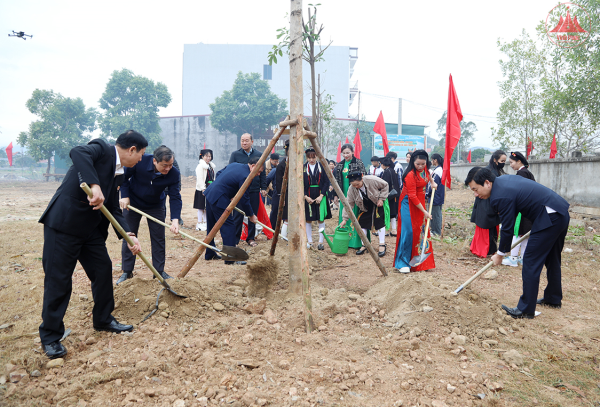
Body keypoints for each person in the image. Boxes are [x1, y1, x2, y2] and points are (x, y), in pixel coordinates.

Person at [38, 131, 147, 359]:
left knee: (102, 269)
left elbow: (113, 209)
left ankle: (103, 319)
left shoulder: (119, 174)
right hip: (64, 226)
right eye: (141, 155)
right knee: (59, 279)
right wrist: (94, 184)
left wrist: (129, 234)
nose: (140, 160)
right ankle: (50, 336)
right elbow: (78, 152)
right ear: (132, 149)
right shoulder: (102, 149)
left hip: (90, 231)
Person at [465, 167, 569, 319]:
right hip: (560, 212)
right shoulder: (503, 181)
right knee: (552, 258)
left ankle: (526, 310)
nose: (476, 194)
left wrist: (500, 254)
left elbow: (507, 227)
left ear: (487, 183)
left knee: (531, 260)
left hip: (549, 217)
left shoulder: (499, 195)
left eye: (475, 189)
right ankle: (553, 299)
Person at [117, 145, 182, 284]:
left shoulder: (174, 173)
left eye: (170, 165)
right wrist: (125, 195)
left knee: (158, 238)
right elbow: (123, 177)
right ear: (154, 161)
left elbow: (175, 196)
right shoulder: (140, 161)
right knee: (130, 236)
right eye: (164, 165)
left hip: (156, 206)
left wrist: (175, 219)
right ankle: (127, 271)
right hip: (133, 204)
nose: (168, 169)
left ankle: (158, 272)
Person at [203, 157, 261, 265]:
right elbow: (245, 198)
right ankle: (230, 259)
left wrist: (224, 189)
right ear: (253, 166)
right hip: (219, 198)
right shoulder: (246, 176)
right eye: (259, 171)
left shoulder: (235, 164)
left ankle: (209, 253)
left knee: (211, 226)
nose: (258, 174)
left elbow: (220, 173)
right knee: (229, 227)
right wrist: (251, 215)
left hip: (211, 192)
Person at [393, 149, 437, 273]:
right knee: (408, 231)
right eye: (418, 164)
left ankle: (422, 262)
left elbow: (428, 176)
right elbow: (412, 196)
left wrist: (433, 183)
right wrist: (425, 211)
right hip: (408, 202)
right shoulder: (410, 175)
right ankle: (403, 262)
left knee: (421, 229)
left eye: (423, 164)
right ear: (413, 161)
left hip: (420, 202)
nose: (420, 166)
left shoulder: (425, 170)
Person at [229, 133, 267, 247]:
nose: (244, 143)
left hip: (254, 189)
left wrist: (263, 187)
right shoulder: (235, 155)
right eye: (242, 140)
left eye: (246, 140)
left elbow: (263, 173)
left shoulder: (259, 155)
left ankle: (250, 238)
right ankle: (235, 239)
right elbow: (231, 171)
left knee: (252, 214)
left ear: (252, 142)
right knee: (237, 215)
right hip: (239, 190)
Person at [340, 171, 389, 257]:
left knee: (379, 223)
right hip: (363, 206)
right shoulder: (351, 189)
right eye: (353, 185)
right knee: (362, 224)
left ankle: (382, 244)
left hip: (377, 203)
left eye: (357, 184)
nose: (356, 186)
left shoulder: (371, 180)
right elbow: (349, 204)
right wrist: (344, 219)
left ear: (362, 179)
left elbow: (385, 185)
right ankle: (364, 244)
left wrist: (381, 198)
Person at [469, 150, 506, 257]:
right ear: (495, 160)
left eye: (504, 161)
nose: (503, 163)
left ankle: (482, 249)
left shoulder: (491, 170)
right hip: (487, 204)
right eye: (502, 161)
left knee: (487, 228)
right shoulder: (490, 172)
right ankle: (484, 251)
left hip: (484, 204)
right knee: (486, 228)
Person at [503, 151, 536, 267]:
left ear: (519, 161)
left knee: (516, 233)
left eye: (512, 162)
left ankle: (513, 258)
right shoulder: (528, 173)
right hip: (529, 209)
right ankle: (523, 258)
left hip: (522, 210)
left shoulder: (521, 174)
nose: (511, 165)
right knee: (525, 235)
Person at [334, 144, 367, 249]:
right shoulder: (339, 165)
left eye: (347, 152)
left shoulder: (358, 162)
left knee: (356, 217)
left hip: (356, 195)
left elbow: (364, 177)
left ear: (352, 152)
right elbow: (336, 181)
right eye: (343, 153)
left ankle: (357, 243)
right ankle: (345, 240)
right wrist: (336, 195)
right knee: (345, 217)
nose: (345, 155)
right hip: (343, 195)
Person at [303, 147, 331, 250]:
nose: (311, 160)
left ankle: (320, 242)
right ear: (306, 157)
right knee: (308, 219)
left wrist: (321, 195)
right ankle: (310, 241)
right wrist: (306, 196)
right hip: (308, 195)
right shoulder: (303, 168)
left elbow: (326, 182)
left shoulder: (322, 167)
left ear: (317, 157)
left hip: (320, 195)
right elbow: (300, 184)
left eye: (313, 157)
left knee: (320, 218)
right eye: (309, 157)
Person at [194, 149, 216, 231]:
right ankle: (199, 223)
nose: (208, 158)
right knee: (201, 207)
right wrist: (203, 189)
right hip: (202, 189)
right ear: (202, 156)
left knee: (207, 207)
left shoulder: (210, 166)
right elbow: (200, 179)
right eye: (206, 156)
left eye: (210, 156)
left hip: (210, 188)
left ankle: (206, 222)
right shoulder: (200, 166)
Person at [380, 157, 400, 236]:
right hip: (395, 195)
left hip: (388, 195)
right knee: (393, 213)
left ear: (384, 164)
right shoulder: (394, 171)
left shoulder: (386, 172)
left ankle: (385, 231)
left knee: (386, 212)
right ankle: (394, 230)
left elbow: (384, 184)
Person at [428, 153, 445, 236]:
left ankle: (436, 232)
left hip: (436, 196)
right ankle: (435, 230)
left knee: (436, 215)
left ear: (435, 160)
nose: (431, 161)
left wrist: (428, 194)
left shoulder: (438, 171)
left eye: (432, 160)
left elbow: (434, 184)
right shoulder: (438, 169)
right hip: (438, 196)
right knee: (436, 214)